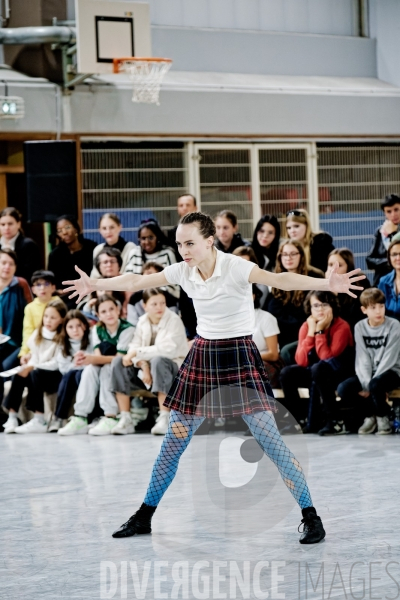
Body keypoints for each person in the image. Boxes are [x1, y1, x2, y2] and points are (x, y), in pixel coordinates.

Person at [64, 211, 364, 544]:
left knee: (272, 443)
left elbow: (280, 279)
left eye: (190, 243)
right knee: (172, 444)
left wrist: (327, 283)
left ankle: (311, 516)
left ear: (210, 241)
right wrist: (95, 284)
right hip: (202, 358)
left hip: (239, 355)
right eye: (179, 244)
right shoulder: (182, 270)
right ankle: (144, 516)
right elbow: (134, 281)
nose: (184, 250)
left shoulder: (235, 266)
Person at [110, 288, 189, 436]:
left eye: (162, 303)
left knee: (158, 361)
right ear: (144, 305)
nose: (159, 307)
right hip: (147, 372)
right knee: (118, 362)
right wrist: (143, 364)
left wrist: (138, 354)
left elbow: (168, 350)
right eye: (154, 304)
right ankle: (126, 418)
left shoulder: (174, 320)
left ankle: (165, 418)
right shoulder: (142, 321)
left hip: (172, 371)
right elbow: (134, 346)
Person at [58, 295, 134, 437]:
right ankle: (80, 416)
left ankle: (110, 416)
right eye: (103, 311)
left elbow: (120, 359)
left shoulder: (127, 329)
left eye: (111, 309)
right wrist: (86, 358)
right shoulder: (97, 329)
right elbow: (98, 356)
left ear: (118, 310)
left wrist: (93, 358)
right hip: (109, 364)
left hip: (127, 368)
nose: (109, 314)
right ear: (98, 315)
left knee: (106, 368)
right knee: (91, 368)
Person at [280, 291, 354, 436]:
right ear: (310, 308)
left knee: (318, 368)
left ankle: (334, 421)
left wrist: (319, 332)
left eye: (325, 305)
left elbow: (327, 359)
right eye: (316, 305)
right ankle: (298, 420)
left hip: (339, 372)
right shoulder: (307, 326)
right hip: (316, 370)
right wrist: (311, 332)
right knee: (287, 373)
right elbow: (301, 361)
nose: (320, 309)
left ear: (332, 306)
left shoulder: (342, 326)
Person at [337, 288, 400, 436]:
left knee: (376, 384)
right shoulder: (360, 326)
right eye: (373, 307)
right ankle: (370, 415)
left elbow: (390, 356)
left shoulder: (394, 325)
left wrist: (371, 384)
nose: (378, 311)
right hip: (369, 372)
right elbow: (362, 357)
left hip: (392, 370)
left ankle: (382, 418)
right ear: (364, 310)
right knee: (343, 389)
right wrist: (366, 382)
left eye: (381, 306)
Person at [2, 299, 67, 433]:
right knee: (19, 374)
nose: (48, 320)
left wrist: (33, 366)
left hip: (54, 375)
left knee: (34, 373)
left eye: (53, 317)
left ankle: (39, 418)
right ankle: (12, 417)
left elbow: (57, 363)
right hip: (38, 370)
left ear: (61, 320)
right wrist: (28, 365)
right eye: (46, 316)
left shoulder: (63, 337)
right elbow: (35, 355)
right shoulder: (39, 333)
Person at [265, 240, 324, 359]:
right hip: (284, 334)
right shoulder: (275, 279)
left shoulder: (315, 276)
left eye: (293, 254)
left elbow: (312, 311)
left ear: (301, 256)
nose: (288, 258)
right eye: (285, 254)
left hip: (308, 331)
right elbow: (272, 310)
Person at [0, 249, 32, 403]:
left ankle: (6, 412)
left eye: (11, 264)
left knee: (4, 368)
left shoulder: (21, 284)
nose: (7, 267)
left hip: (15, 343)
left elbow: (31, 313)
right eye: (3, 263)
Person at [48, 215, 96, 308]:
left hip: (88, 293)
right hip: (66, 296)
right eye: (59, 230)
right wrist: (57, 290)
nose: (64, 232)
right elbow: (52, 279)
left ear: (76, 229)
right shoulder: (55, 254)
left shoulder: (91, 248)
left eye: (67, 227)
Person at [325, 248, 370, 331]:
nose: (333, 269)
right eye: (330, 265)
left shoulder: (359, 283)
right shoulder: (322, 287)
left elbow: (352, 317)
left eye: (339, 265)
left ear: (349, 267)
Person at [19, 270, 59, 362]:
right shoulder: (30, 308)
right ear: (33, 289)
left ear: (53, 287)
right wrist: (24, 352)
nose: (42, 288)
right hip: (35, 347)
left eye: (46, 284)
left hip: (54, 346)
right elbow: (28, 332)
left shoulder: (58, 304)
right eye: (38, 285)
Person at [80, 248, 127, 320]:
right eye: (105, 262)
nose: (109, 265)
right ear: (99, 267)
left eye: (112, 261)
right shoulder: (95, 284)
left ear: (119, 265)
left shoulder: (128, 283)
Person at [127, 261, 179, 327]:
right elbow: (132, 324)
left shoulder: (170, 299)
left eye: (155, 276)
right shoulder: (134, 298)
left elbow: (172, 324)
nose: (151, 279)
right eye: (148, 274)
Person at [251, 285, 283, 388]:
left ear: (253, 296)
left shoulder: (266, 318)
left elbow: (273, 355)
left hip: (267, 362)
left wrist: (249, 357)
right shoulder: (231, 320)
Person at [285, 208, 334, 273]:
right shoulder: (286, 248)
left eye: (296, 226)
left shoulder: (321, 244)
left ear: (306, 225)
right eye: (289, 228)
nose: (292, 231)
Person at [0, 207, 41, 283]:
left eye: (10, 224)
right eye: (2, 224)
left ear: (18, 224)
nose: (6, 228)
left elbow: (31, 274)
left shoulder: (29, 245)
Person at [366, 194, 400, 285]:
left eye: (396, 210)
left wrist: (393, 234)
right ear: (384, 213)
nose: (393, 214)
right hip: (381, 283)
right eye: (389, 211)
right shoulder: (380, 231)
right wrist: (390, 262)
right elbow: (369, 260)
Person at [91, 213, 136, 278]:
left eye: (112, 227)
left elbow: (133, 275)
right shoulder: (98, 249)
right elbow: (94, 276)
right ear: (100, 230)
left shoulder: (131, 248)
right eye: (104, 228)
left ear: (119, 227)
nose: (108, 231)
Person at [377, 239, 400, 321]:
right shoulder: (383, 281)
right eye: (394, 254)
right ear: (389, 258)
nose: (398, 258)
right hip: (389, 329)